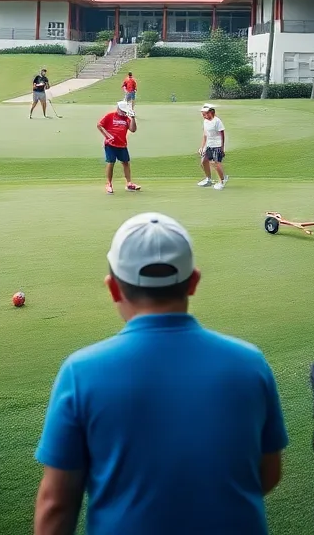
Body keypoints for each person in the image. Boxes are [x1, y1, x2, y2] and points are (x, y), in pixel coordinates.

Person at [33, 212, 288, 535]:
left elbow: (57, 504)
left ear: (113, 288)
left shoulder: (80, 372)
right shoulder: (250, 362)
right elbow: (268, 474)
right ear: (193, 282)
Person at [97, 101, 140, 194]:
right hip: (110, 144)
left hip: (122, 144)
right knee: (111, 162)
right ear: (118, 109)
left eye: (125, 112)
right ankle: (109, 184)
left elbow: (133, 129)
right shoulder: (110, 116)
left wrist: (132, 118)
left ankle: (129, 183)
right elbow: (99, 125)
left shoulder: (126, 119)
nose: (124, 113)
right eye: (123, 111)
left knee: (125, 163)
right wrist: (107, 136)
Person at [196, 103, 227, 190]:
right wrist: (202, 147)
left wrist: (222, 147)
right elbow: (205, 135)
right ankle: (208, 179)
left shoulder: (217, 121)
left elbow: (222, 134)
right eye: (202, 114)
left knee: (216, 164)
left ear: (210, 112)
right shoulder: (205, 122)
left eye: (204, 114)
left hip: (217, 145)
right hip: (209, 145)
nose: (203, 115)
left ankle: (222, 181)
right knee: (203, 162)